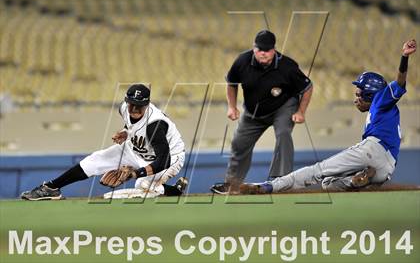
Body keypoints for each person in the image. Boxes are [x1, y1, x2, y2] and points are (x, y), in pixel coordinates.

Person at [240, 39, 417, 194]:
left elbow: (400, 82)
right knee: (329, 184)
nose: (356, 98)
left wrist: (404, 57)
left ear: (370, 95)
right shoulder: (384, 110)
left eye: (359, 94)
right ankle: (356, 180)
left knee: (317, 171)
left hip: (372, 150)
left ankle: (269, 186)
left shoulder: (381, 98)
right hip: (387, 168)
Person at [21, 84, 188, 200]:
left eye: (140, 107)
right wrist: (126, 132)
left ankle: (175, 191)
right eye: (132, 105)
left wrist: (135, 173)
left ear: (148, 104)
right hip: (136, 149)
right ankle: (51, 188)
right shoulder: (123, 108)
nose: (135, 110)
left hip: (170, 158)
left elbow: (163, 159)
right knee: (96, 159)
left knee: (142, 184)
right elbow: (132, 125)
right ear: (126, 102)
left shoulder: (155, 125)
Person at [211, 30, 313, 194]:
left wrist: (301, 111)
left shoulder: (287, 66)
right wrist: (232, 106)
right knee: (239, 143)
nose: (263, 53)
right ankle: (232, 184)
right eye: (260, 50)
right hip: (253, 111)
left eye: (267, 50)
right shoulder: (242, 61)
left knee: (284, 134)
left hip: (283, 107)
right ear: (254, 48)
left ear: (274, 50)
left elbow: (307, 87)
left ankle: (282, 181)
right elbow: (231, 83)